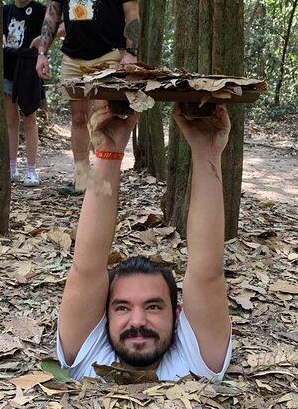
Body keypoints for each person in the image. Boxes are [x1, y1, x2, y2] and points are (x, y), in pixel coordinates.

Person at [56, 103, 232, 382]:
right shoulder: (87, 354)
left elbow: (206, 273)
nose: (137, 321)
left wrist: (206, 153)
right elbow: (86, 268)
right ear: (104, 316)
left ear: (177, 317)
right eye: (122, 308)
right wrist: (108, 153)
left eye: (153, 307)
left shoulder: (196, 360)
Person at [36, 0, 141, 195]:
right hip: (72, 57)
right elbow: (52, 13)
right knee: (78, 118)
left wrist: (131, 52)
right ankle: (81, 178)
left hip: (109, 54)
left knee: (104, 118)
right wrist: (42, 53)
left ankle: (104, 178)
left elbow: (131, 12)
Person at [3, 0, 63, 187]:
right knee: (10, 121)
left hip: (30, 70)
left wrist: (43, 39)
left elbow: (61, 24)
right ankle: (11, 168)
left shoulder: (40, 11)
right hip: (7, 70)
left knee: (29, 120)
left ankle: (31, 170)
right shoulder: (4, 11)